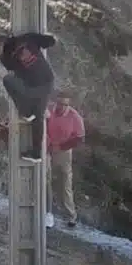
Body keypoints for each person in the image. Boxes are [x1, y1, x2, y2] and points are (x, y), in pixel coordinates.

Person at [0, 32, 56, 162]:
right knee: (9, 80)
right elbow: (11, 69)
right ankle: (26, 114)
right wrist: (1, 55)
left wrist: (50, 39)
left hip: (43, 84)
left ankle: (36, 152)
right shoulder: (8, 56)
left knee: (38, 117)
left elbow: (49, 41)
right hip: (35, 86)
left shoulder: (25, 39)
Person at [43, 92, 83, 228]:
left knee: (65, 183)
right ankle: (47, 212)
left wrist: (62, 146)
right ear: (56, 102)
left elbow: (79, 138)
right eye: (60, 103)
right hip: (47, 148)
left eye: (66, 104)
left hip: (64, 151)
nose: (62, 107)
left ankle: (71, 216)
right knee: (45, 179)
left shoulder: (74, 116)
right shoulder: (48, 110)